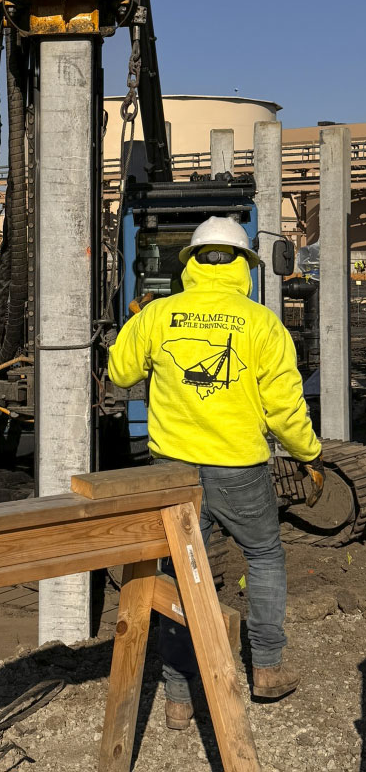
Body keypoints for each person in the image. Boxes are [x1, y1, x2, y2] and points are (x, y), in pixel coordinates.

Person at [108, 216, 323, 730]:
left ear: (192, 264)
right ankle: (266, 667)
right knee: (265, 555)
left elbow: (119, 373)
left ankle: (180, 697)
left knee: (181, 573)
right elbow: (284, 410)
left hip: (174, 474)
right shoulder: (261, 323)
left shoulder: (159, 316)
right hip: (241, 470)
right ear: (246, 267)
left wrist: (135, 323)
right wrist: (310, 455)